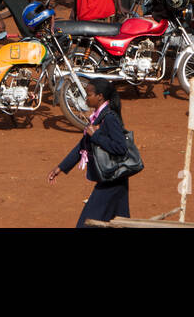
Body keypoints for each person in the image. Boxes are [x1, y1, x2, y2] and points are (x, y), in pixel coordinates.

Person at [48, 78, 132, 227]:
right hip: (114, 179)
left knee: (86, 224)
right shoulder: (97, 117)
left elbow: (121, 148)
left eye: (89, 94)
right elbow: (83, 145)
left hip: (111, 181)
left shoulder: (109, 118)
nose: (86, 98)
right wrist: (61, 167)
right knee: (122, 223)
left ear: (99, 96)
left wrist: (96, 135)